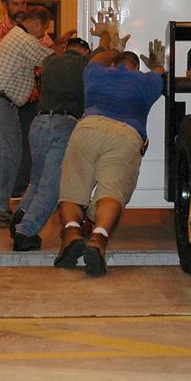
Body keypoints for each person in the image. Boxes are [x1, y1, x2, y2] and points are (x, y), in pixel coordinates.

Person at [53, 30, 166, 277]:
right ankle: (98, 239)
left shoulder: (96, 74)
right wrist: (156, 63)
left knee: (73, 188)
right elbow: (159, 73)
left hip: (88, 128)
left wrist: (113, 48)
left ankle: (71, 233)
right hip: (125, 136)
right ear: (136, 67)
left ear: (115, 64)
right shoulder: (146, 81)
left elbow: (95, 60)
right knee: (111, 192)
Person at [9, 36, 93, 251]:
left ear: (66, 48)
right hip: (64, 124)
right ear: (84, 51)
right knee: (52, 187)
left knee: (36, 180)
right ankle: (25, 231)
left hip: (39, 123)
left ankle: (21, 215)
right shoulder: (86, 63)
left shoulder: (49, 61)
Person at [0, 4, 55, 224]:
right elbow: (51, 60)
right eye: (44, 30)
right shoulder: (25, 40)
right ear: (37, 23)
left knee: (10, 155)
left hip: (1, 103)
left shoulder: (17, 36)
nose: (44, 35)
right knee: (4, 157)